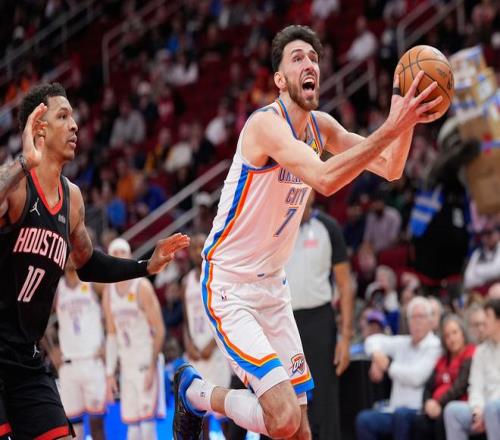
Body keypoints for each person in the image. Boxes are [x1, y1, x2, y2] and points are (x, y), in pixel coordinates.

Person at [174, 24, 442, 439]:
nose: (309, 64)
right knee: (282, 418)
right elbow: (325, 179)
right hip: (230, 284)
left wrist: (405, 116)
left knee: (299, 432)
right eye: (297, 58)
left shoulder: (322, 127)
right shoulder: (265, 125)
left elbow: (391, 167)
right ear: (280, 79)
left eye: (314, 58)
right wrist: (391, 126)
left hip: (272, 288)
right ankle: (197, 393)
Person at [0, 83, 189, 439]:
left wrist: (145, 265)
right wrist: (24, 162)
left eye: (73, 116)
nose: (74, 125)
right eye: (62, 116)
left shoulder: (72, 198)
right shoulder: (16, 184)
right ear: (39, 127)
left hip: (25, 356)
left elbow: (87, 263)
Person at [286, 190, 353, 440]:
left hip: (319, 319)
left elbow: (345, 284)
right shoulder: (276, 226)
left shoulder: (329, 227)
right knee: (281, 393)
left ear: (313, 194)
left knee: (325, 396)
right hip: (284, 320)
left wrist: (345, 339)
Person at [103, 238, 167, 440]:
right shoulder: (108, 292)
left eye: (123, 252)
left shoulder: (142, 286)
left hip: (145, 362)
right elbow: (111, 334)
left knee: (147, 426)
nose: (119, 256)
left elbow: (159, 329)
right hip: (126, 366)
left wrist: (152, 366)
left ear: (130, 256)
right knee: (132, 428)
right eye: (115, 253)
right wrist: (109, 373)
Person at [356, 296, 442, 440]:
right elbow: (371, 340)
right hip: (394, 410)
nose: (417, 322)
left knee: (401, 416)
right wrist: (376, 357)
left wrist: (388, 366)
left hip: (418, 412)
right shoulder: (403, 342)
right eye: (413, 317)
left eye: (421, 317)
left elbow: (417, 377)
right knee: (364, 420)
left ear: (429, 320)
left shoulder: (435, 346)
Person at [48, 259, 107, 440]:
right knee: (74, 429)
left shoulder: (92, 282)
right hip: (68, 364)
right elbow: (38, 316)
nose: (71, 259)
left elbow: (112, 304)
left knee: (97, 425)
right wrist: (51, 348)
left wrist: (108, 341)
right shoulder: (57, 288)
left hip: (92, 360)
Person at [181, 233, 232, 438]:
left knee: (224, 412)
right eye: (193, 248)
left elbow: (227, 315)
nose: (197, 251)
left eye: (201, 246)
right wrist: (188, 345)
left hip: (216, 351)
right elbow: (186, 319)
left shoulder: (219, 276)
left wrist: (213, 344)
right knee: (200, 415)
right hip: (197, 354)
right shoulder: (186, 282)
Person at [444, 299, 500, 439]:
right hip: (483, 408)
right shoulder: (480, 351)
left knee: (492, 408)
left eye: (487, 316)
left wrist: (486, 410)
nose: (483, 322)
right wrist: (477, 411)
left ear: (498, 321)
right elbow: (475, 386)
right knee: (452, 411)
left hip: (495, 406)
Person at [413, 315, 475, 440]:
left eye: (455, 333)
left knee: (442, 420)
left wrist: (439, 403)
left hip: (456, 404)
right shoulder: (442, 360)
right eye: (447, 336)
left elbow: (461, 386)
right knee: (418, 422)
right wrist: (427, 403)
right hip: (436, 407)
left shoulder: (470, 353)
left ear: (463, 333)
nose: (451, 339)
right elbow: (428, 387)